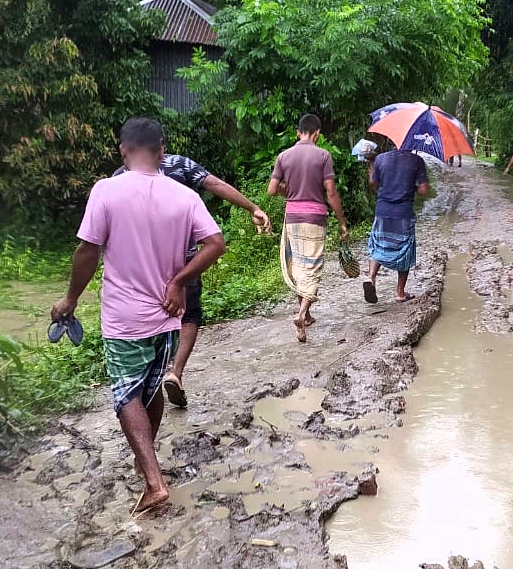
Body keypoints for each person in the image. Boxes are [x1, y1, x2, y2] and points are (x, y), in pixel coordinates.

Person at [51, 118, 225, 514]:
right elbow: (216, 244)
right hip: (169, 316)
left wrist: (70, 299)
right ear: (162, 150)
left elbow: (87, 251)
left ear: (122, 150)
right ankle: (146, 459)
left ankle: (153, 481)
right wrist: (179, 280)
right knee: (149, 389)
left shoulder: (106, 190)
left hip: (124, 320)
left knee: (127, 394)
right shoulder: (184, 196)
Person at [113, 156, 269, 409]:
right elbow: (214, 184)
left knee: (148, 320)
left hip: (141, 268)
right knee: (190, 315)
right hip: (184, 263)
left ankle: (144, 381)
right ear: (159, 145)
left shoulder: (119, 177)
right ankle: (175, 372)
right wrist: (252, 208)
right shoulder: (178, 164)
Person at [268, 114, 348, 343]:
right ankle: (302, 314)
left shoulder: (283, 156)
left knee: (299, 265)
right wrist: (342, 222)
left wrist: (290, 191)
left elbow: (272, 190)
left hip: (292, 216)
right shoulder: (323, 156)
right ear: (317, 133)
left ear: (298, 132)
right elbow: (330, 192)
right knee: (312, 266)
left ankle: (307, 314)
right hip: (315, 216)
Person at [364, 149, 429, 304]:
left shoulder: (381, 158)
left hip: (382, 210)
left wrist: (371, 163)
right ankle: (400, 293)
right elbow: (423, 190)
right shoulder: (416, 161)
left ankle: (371, 278)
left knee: (379, 245)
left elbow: (373, 183)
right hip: (403, 212)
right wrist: (413, 186)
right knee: (404, 249)